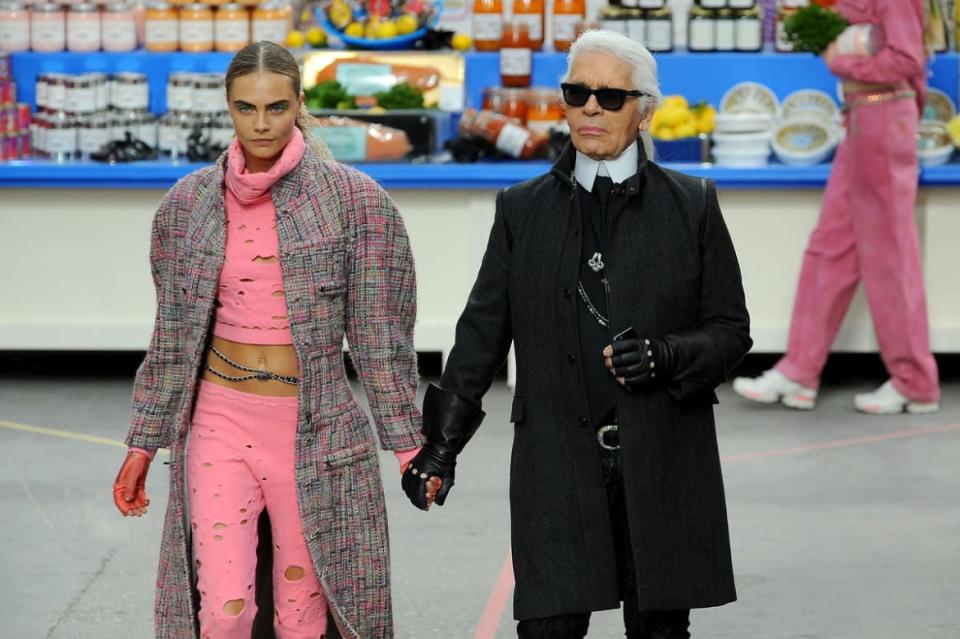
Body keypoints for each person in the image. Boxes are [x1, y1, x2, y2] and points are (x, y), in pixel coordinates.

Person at [402, 30, 752, 639]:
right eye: (577, 92)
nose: (591, 107)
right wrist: (440, 445)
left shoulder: (692, 205)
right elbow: (481, 335)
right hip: (554, 462)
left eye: (610, 97)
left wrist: (670, 355)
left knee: (660, 628)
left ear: (644, 110)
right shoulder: (520, 209)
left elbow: (731, 331)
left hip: (664, 456)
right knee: (548, 628)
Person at [111, 41, 426, 639]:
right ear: (227, 107)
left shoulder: (356, 203)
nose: (261, 124)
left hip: (311, 424)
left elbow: (381, 335)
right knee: (222, 615)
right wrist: (143, 444)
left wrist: (409, 444)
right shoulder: (186, 206)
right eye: (245, 108)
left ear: (299, 104)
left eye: (276, 108)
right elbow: (173, 338)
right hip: (217, 419)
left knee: (302, 617)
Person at [733, 0, 941, 414]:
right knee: (830, 249)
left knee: (889, 258)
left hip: (882, 124)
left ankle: (915, 381)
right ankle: (799, 372)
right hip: (862, 122)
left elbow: (906, 57)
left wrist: (842, 63)